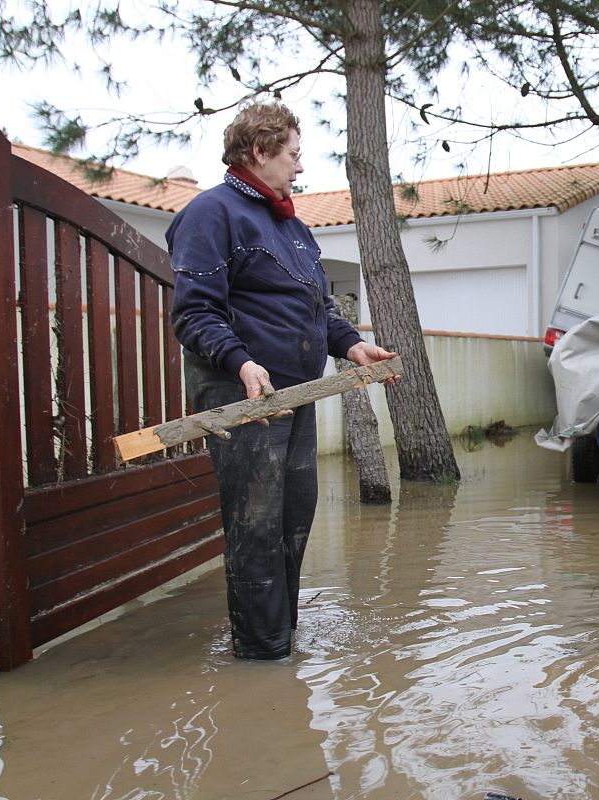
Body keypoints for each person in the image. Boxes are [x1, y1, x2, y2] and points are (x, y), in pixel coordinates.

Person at [167, 102, 398, 660]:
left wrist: (350, 344)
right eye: (293, 154)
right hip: (242, 394)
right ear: (260, 151)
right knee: (257, 526)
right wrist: (242, 364)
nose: (299, 166)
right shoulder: (210, 213)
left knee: (295, 519)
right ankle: (260, 653)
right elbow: (194, 313)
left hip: (295, 396)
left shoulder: (291, 226)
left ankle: (281, 642)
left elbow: (318, 306)